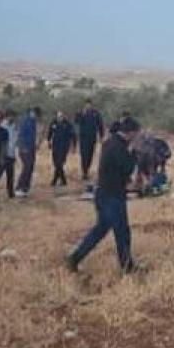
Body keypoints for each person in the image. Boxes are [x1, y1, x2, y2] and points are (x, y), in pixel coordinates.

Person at [67, 117, 141, 274]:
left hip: (104, 194)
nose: (136, 138)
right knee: (122, 232)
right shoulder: (118, 147)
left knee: (101, 230)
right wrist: (134, 152)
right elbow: (127, 167)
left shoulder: (110, 142)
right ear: (131, 133)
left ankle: (75, 258)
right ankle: (127, 266)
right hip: (112, 196)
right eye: (136, 134)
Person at [75, 99, 105, 181]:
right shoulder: (80, 112)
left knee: (90, 155)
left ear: (91, 105)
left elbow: (100, 125)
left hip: (92, 137)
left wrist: (101, 136)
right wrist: (82, 114)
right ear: (84, 105)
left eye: (89, 104)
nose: (88, 106)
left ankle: (87, 169)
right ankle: (84, 172)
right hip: (83, 137)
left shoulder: (96, 113)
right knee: (84, 155)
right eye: (86, 104)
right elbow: (76, 121)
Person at [47, 110, 76, 187]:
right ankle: (63, 181)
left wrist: (74, 146)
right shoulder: (53, 123)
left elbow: (73, 135)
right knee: (56, 163)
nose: (60, 117)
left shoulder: (67, 124)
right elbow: (49, 133)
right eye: (58, 116)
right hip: (55, 146)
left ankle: (55, 180)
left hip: (64, 147)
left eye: (61, 116)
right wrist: (49, 141)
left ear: (63, 116)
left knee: (60, 163)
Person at [15, 106, 39, 197]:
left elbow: (33, 136)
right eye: (33, 112)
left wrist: (35, 145)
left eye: (36, 114)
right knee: (27, 167)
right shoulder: (25, 121)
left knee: (31, 167)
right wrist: (23, 147)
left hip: (31, 148)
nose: (34, 115)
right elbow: (21, 135)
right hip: (24, 149)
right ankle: (19, 187)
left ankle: (26, 188)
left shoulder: (33, 122)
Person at [0, 110, 18, 199]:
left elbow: (14, 141)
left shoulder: (14, 126)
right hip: (3, 154)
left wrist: (14, 154)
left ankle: (10, 193)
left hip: (11, 154)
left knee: (10, 175)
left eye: (13, 116)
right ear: (7, 116)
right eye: (11, 116)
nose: (12, 118)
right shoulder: (2, 126)